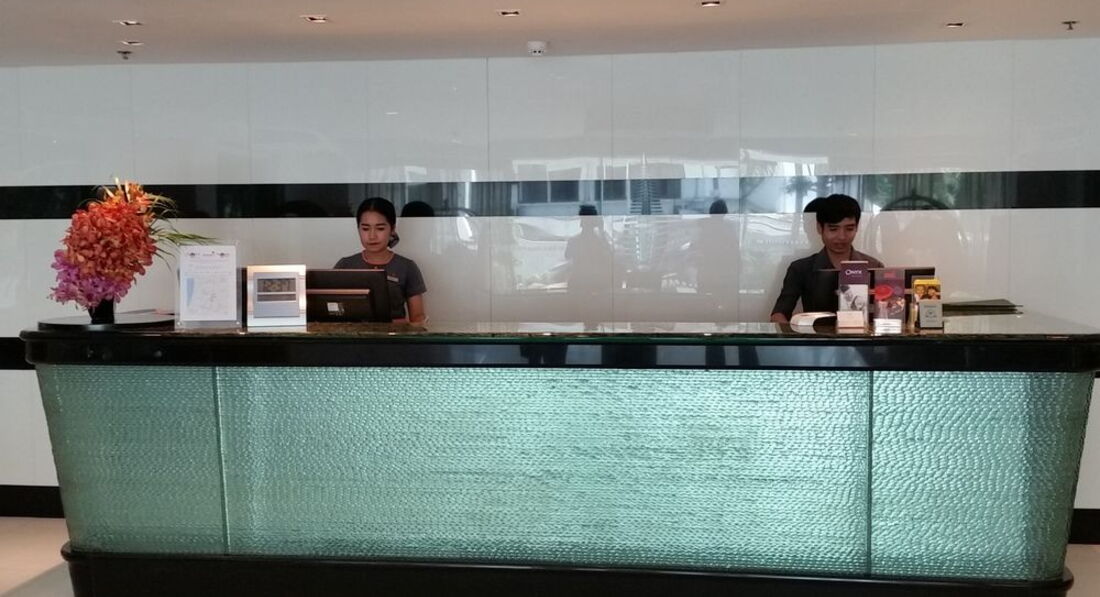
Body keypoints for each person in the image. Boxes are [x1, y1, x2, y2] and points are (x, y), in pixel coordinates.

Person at [770, 194, 883, 323]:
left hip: (862, 335)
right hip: (815, 335)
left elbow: (886, 313)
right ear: (820, 228)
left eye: (849, 229)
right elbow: (779, 314)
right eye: (833, 229)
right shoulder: (801, 269)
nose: (842, 236)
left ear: (857, 227)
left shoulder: (874, 267)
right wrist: (791, 333)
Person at [333, 197, 427, 323]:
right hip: (353, 335)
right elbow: (332, 311)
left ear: (392, 229)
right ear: (358, 229)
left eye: (380, 228)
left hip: (396, 335)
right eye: (365, 229)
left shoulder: (407, 267)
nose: (372, 236)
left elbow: (418, 317)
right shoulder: (345, 265)